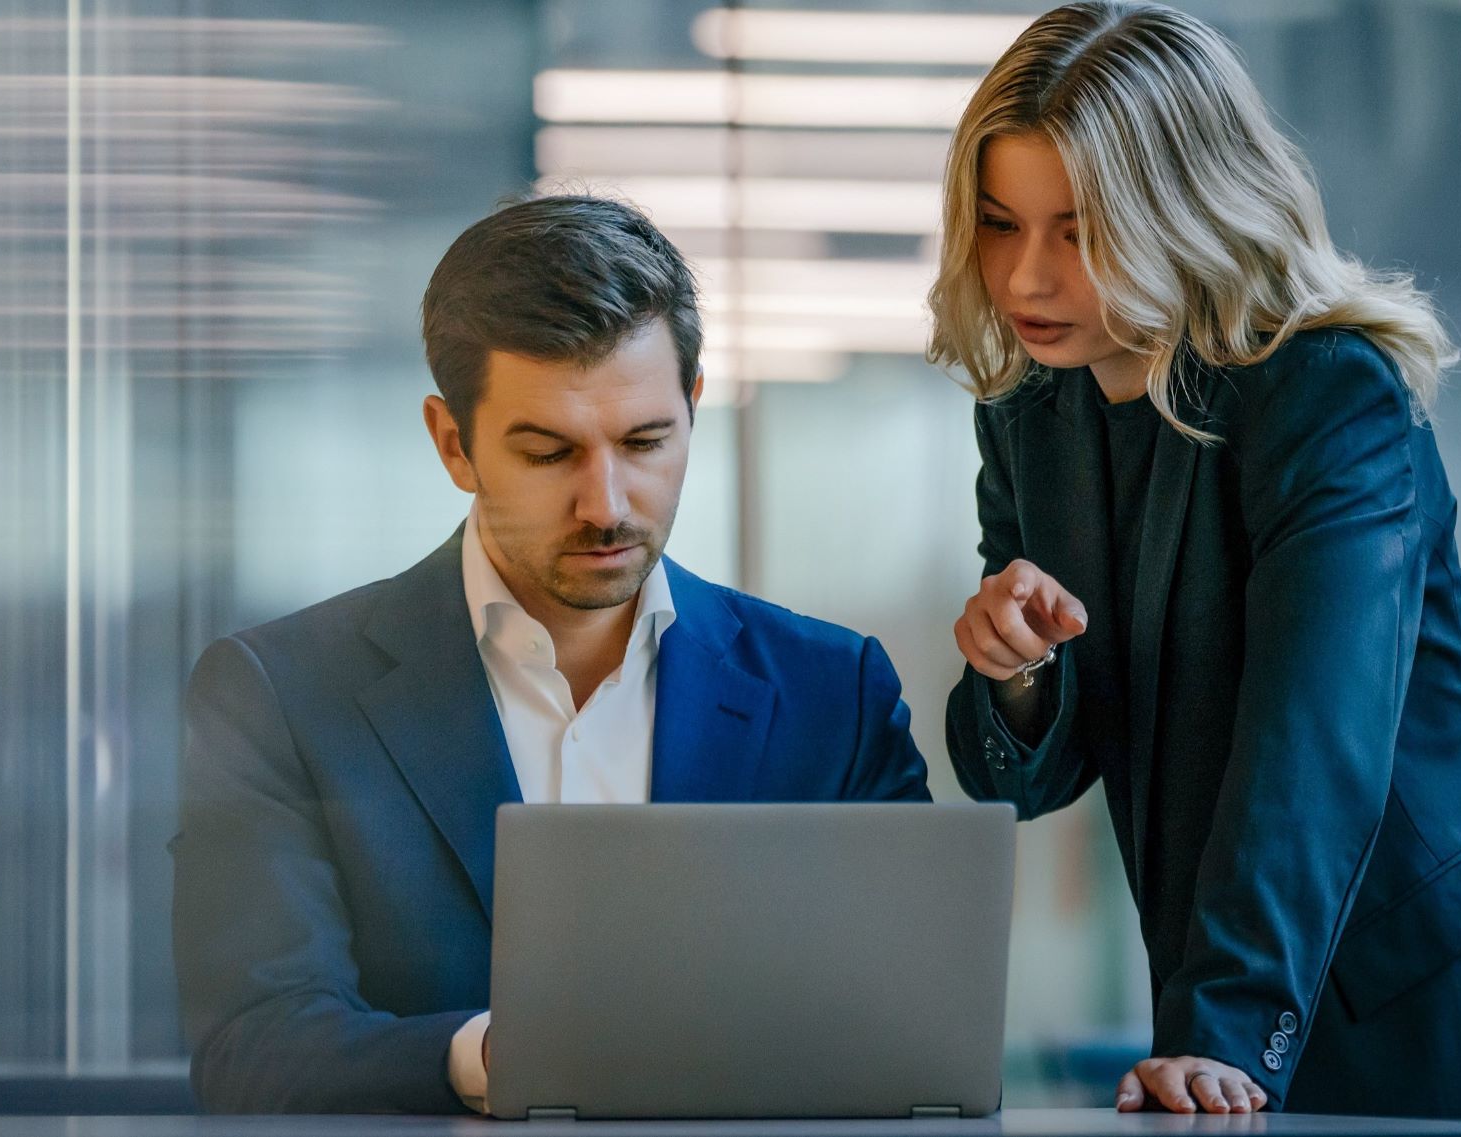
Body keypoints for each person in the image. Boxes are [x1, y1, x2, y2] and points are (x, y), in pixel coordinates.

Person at [929, 1, 1461, 1123]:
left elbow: (1317, 731)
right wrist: (1015, 669)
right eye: (1003, 225)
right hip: (1233, 1013)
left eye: (1080, 230)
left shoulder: (1328, 390)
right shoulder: (1032, 414)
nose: (1026, 280)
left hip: (1445, 996)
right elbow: (1032, 775)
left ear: (1183, 212)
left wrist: (1226, 1025)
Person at [171, 194, 930, 1114]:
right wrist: (487, 1056)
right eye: (548, 452)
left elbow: (911, 1036)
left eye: (646, 441)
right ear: (454, 443)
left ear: (694, 408)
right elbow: (252, 1048)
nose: (606, 503)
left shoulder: (833, 696)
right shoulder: (280, 697)